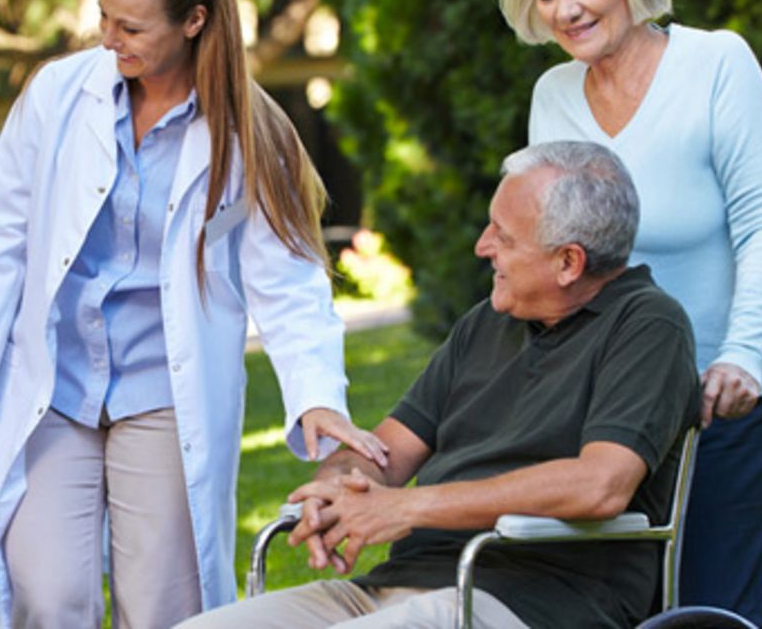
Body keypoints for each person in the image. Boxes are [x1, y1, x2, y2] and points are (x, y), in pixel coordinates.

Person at [0, 0, 385, 626]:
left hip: (164, 393)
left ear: (193, 22)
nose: (108, 38)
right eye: (103, 16)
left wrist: (316, 396)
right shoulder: (56, 95)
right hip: (57, 387)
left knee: (163, 601)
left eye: (130, 26)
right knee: (47, 593)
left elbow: (286, 279)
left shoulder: (248, 131)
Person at [179, 141, 702, 629]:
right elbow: (386, 454)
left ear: (569, 262)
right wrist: (338, 486)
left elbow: (600, 486)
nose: (482, 247)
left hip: (533, 597)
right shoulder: (486, 323)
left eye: (503, 234)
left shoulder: (648, 326)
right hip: (397, 587)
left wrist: (406, 508)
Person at [498, 0, 762, 624]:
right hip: (607, 412)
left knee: (713, 609)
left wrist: (742, 352)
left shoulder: (716, 63)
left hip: (718, 400)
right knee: (607, 608)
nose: (565, 8)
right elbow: (553, 256)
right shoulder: (553, 95)